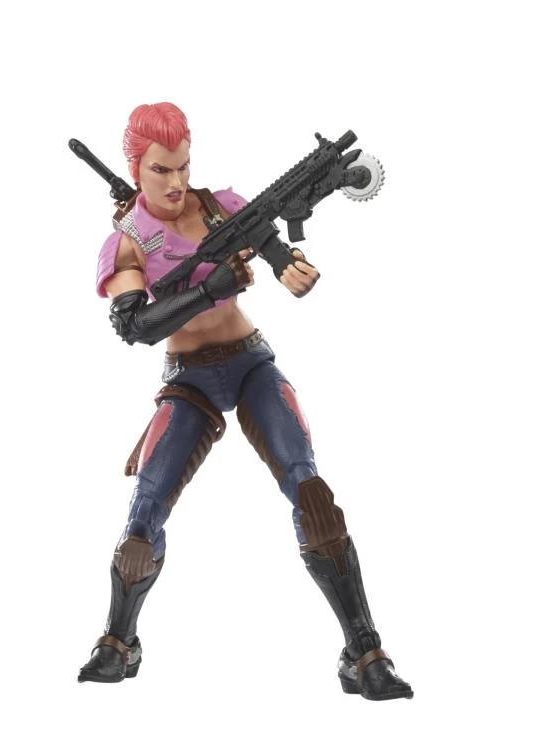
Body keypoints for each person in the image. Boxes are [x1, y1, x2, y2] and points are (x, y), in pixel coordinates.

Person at [77, 102, 413, 700]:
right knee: (143, 517)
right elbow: (135, 327)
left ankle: (364, 650)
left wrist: (289, 266)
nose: (176, 182)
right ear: (136, 171)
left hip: (250, 361)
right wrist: (209, 289)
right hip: (189, 381)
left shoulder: (217, 207)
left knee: (312, 495)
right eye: (161, 170)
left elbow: (267, 235)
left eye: (183, 165)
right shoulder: (127, 243)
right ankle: (118, 641)